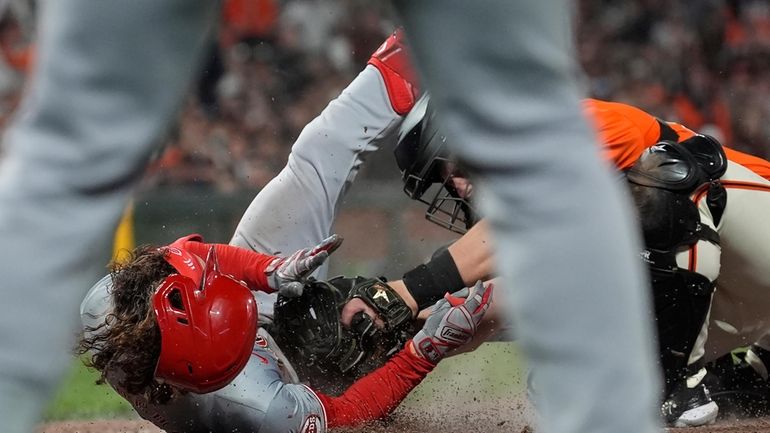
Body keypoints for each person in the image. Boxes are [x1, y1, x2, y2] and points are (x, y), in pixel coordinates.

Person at [383, 94, 770, 426]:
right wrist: (403, 330)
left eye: (451, 170)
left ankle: (672, 386)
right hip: (745, 296)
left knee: (659, 190)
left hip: (752, 224)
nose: (457, 188)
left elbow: (506, 232)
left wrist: (403, 294)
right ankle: (730, 377)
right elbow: (505, 303)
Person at [79, 235, 492, 433]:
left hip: (227, 368)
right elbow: (344, 414)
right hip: (287, 389)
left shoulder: (108, 309)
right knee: (325, 329)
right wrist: (423, 353)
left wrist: (266, 270)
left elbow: (191, 258)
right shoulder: (261, 410)